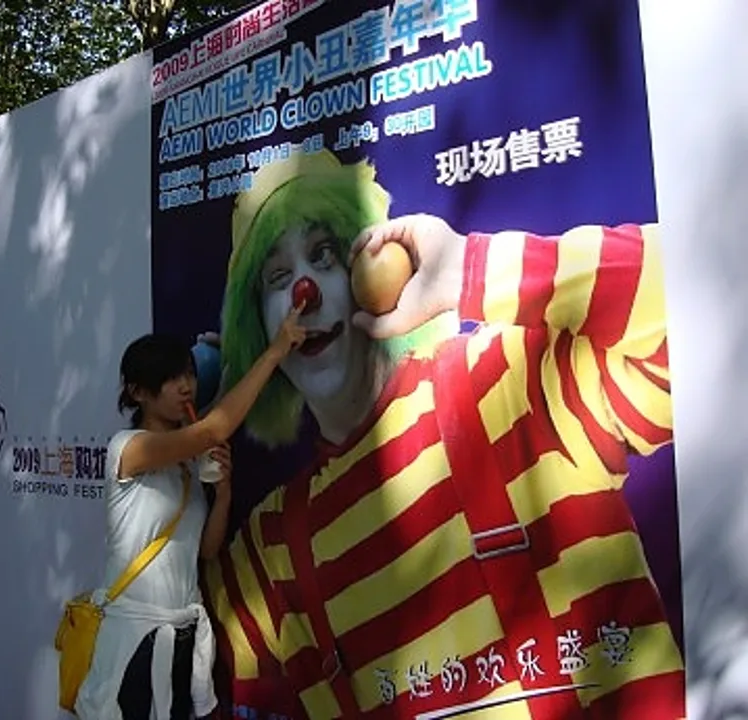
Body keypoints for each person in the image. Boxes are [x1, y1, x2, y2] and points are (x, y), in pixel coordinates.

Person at [202, 149, 684, 719]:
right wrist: (180, 426)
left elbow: (704, 301)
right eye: (277, 278)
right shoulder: (273, 547)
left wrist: (466, 270)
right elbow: (172, 639)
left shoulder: (511, 384)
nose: (302, 294)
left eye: (324, 254)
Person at [74, 310, 307, 720]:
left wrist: (223, 494)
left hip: (183, 634)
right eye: (170, 378)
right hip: (136, 640)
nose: (185, 386)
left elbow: (207, 550)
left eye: (188, 374)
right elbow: (214, 429)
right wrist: (275, 351)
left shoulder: (188, 463)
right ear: (137, 392)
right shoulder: (129, 448)